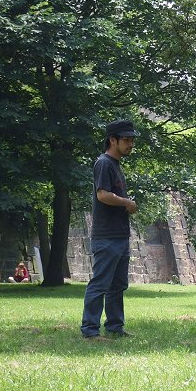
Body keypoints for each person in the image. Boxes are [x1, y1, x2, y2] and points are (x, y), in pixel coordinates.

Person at [80, 120, 139, 340]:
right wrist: (127, 203)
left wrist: (126, 204)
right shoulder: (104, 163)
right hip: (106, 237)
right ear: (112, 140)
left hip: (119, 236)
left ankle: (114, 326)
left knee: (117, 285)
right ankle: (90, 331)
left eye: (132, 140)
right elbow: (102, 195)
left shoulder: (115, 165)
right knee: (101, 283)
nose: (130, 144)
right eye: (126, 140)